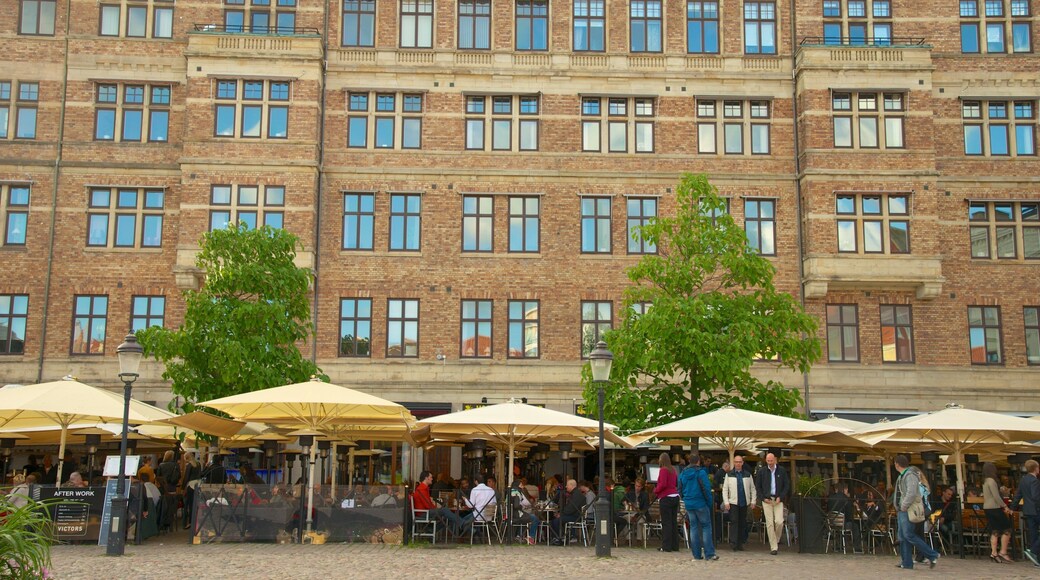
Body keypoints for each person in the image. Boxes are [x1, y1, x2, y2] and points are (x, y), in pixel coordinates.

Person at [893, 454, 939, 570]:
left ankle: (932, 554)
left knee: (908, 534)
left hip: (907, 509)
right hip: (902, 509)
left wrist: (903, 506)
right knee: (903, 536)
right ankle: (907, 562)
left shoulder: (909, 475)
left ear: (897, 464)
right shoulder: (902, 476)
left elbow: (911, 493)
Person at [679, 453, 718, 561]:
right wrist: (709, 502)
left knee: (694, 527)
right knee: (706, 527)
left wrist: (685, 499)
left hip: (689, 503)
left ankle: (696, 555)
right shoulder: (701, 473)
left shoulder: (683, 473)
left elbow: (680, 488)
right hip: (700, 503)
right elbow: (706, 489)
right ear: (698, 462)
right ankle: (709, 553)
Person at [754, 452, 791, 556]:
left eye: (771, 461)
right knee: (770, 524)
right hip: (767, 500)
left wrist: (781, 497)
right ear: (766, 460)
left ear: (775, 460)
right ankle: (773, 547)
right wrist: (763, 498)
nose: (770, 463)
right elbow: (758, 487)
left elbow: (786, 485)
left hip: (778, 499)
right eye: (768, 461)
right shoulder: (762, 472)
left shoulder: (781, 471)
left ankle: (776, 539)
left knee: (779, 521)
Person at [722, 454, 756, 551]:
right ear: (734, 463)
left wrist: (753, 501)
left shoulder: (747, 474)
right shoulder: (729, 474)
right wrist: (726, 502)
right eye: (736, 462)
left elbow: (752, 489)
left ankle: (740, 543)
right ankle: (733, 543)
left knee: (742, 523)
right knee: (734, 522)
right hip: (733, 502)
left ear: (742, 463)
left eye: (739, 462)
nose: (738, 464)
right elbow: (725, 489)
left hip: (744, 502)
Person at [982, 461, 1013, 563]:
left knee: (995, 530)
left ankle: (994, 553)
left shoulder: (985, 481)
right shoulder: (992, 481)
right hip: (994, 507)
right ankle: (1003, 551)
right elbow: (996, 496)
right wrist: (1005, 507)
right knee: (1007, 529)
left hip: (987, 507)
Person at [1012, 459, 1040, 567]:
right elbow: (1036, 497)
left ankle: (1036, 559)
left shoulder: (1023, 480)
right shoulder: (1035, 481)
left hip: (1027, 511)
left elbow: (1018, 495)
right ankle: (1033, 551)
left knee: (1033, 534)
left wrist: (1013, 507)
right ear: (1036, 468)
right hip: (1036, 510)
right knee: (1034, 534)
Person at [655, 452, 680, 552]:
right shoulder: (673, 470)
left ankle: (666, 546)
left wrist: (655, 490)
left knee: (666, 523)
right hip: (675, 496)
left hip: (666, 497)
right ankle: (675, 545)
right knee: (673, 522)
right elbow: (676, 483)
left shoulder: (663, 470)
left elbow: (663, 484)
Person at [828, 481, 861, 552]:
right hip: (843, 524)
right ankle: (857, 547)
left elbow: (828, 510)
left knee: (840, 527)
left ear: (836, 489)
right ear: (845, 489)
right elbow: (849, 516)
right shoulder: (846, 499)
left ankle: (838, 545)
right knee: (855, 526)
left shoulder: (830, 498)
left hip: (832, 524)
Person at [549, 478, 585, 545]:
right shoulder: (576, 493)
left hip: (576, 516)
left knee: (556, 521)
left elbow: (571, 508)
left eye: (567, 485)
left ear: (571, 485)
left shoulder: (576, 495)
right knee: (554, 520)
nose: (566, 487)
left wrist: (561, 514)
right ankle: (558, 537)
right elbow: (570, 507)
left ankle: (561, 538)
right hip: (575, 515)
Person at [155, 450, 180, 532]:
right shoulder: (175, 465)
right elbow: (178, 475)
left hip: (162, 487)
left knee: (163, 504)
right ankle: (169, 521)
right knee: (171, 504)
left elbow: (158, 476)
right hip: (172, 487)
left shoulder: (161, 465)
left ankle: (162, 521)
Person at [510, 478, 540, 545]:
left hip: (510, 515)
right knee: (535, 518)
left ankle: (519, 535)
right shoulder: (517, 493)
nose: (522, 486)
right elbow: (516, 506)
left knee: (526, 516)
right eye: (521, 485)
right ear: (518, 485)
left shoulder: (510, 491)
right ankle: (531, 537)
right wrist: (522, 506)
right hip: (517, 515)